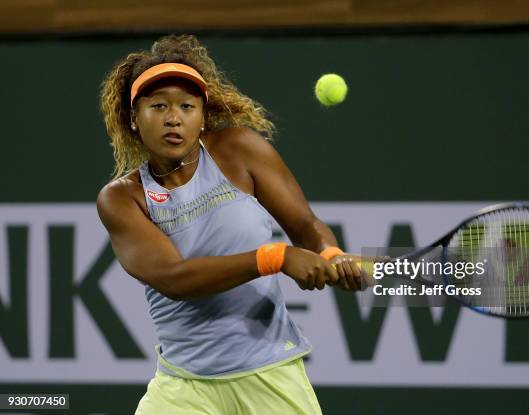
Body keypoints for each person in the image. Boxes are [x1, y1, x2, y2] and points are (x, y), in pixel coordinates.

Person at [97, 34, 367, 415]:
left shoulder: (239, 150)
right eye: (158, 106)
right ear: (133, 120)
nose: (173, 117)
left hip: (270, 375)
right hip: (183, 387)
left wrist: (331, 253)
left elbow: (306, 225)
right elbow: (175, 278)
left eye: (186, 106)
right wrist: (275, 257)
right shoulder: (122, 198)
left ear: (202, 116)